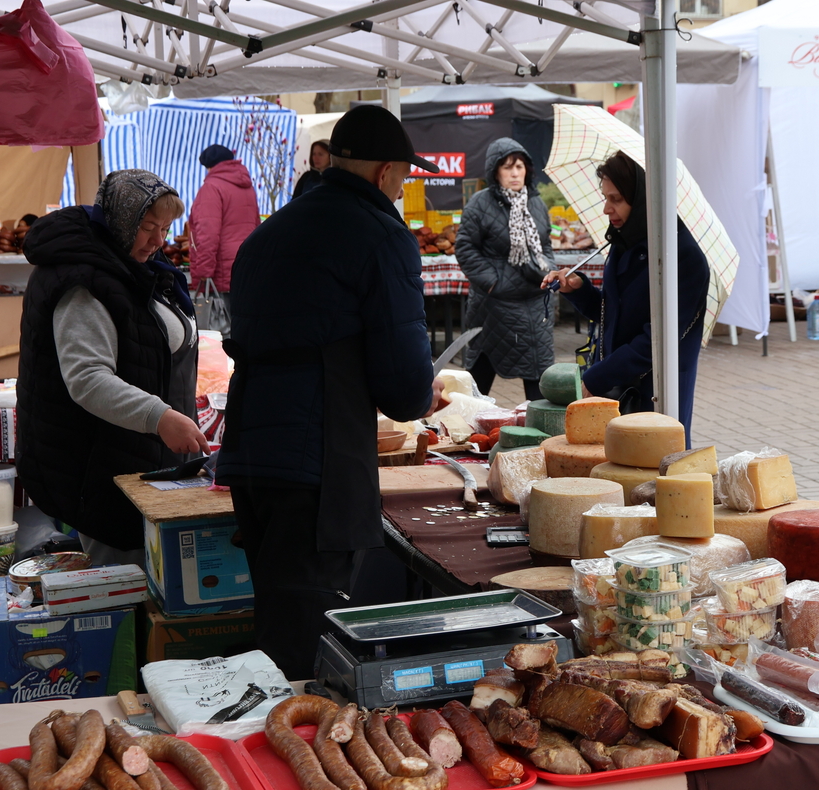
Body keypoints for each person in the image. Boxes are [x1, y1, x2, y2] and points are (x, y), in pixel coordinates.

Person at [216, 105, 443, 678]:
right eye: (401, 177)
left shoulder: (271, 232)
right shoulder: (380, 235)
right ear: (383, 172)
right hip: (316, 459)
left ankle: (267, 736)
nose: (400, 187)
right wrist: (423, 391)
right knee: (306, 633)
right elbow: (404, 388)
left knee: (276, 609)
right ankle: (283, 748)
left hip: (250, 450)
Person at [17, 171, 207, 565]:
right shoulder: (84, 283)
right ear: (120, 222)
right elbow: (87, 378)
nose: (159, 242)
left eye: (165, 229)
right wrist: (160, 417)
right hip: (102, 471)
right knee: (125, 589)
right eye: (149, 228)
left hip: (139, 461)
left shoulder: (130, 268)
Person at [541, 151, 710, 440]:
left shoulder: (683, 257)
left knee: (651, 472)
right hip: (615, 392)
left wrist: (596, 379)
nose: (607, 209)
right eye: (605, 198)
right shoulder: (622, 244)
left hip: (655, 395)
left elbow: (656, 342)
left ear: (644, 197)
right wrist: (579, 289)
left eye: (616, 199)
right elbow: (611, 314)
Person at [457, 138, 555, 400]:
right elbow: (465, 248)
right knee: (477, 387)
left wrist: (550, 272)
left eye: (520, 166)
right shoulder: (480, 203)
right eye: (507, 167)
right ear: (495, 171)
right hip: (494, 307)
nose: (514, 173)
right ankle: (465, 433)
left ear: (528, 170)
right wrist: (493, 282)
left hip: (535, 307)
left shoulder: (536, 204)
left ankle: (542, 438)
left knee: (540, 390)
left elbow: (545, 246)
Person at [187, 143, 260, 317]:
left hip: (221, 270)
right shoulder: (247, 186)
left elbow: (207, 233)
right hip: (246, 266)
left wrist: (203, 270)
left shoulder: (212, 188)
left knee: (220, 329)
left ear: (209, 166)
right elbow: (257, 226)